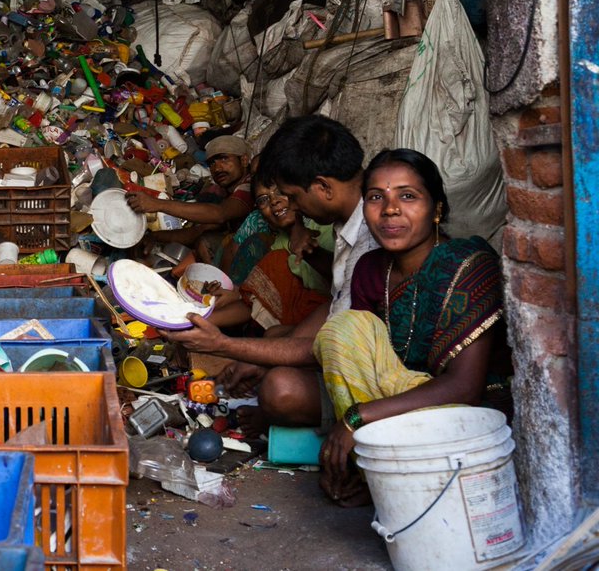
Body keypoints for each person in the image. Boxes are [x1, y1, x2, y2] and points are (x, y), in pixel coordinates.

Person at [314, 149, 509, 505]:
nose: (390, 209)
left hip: (461, 415)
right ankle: (373, 470)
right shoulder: (370, 268)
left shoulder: (468, 264)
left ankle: (383, 474)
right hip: (393, 409)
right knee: (343, 329)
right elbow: (365, 365)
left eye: (407, 196)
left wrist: (358, 418)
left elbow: (465, 387)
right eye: (376, 197)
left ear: (436, 209)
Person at [160, 115, 378, 430]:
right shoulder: (347, 223)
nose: (292, 207)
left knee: (279, 387)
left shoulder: (372, 239)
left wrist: (225, 346)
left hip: (377, 379)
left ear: (322, 187)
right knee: (274, 347)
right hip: (347, 347)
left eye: (294, 197)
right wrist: (256, 358)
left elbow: (327, 344)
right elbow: (335, 307)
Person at [204, 172, 334, 334]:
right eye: (263, 199)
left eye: (280, 192)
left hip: (333, 312)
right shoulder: (279, 243)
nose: (273, 201)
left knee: (272, 333)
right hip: (302, 313)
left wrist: (309, 251)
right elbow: (259, 298)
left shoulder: (324, 226)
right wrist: (197, 319)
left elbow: (344, 280)